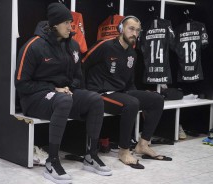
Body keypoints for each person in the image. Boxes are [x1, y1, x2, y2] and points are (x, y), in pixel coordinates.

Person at [15, 2, 112, 184]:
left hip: (62, 96)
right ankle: (52, 162)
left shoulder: (72, 45)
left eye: (71, 22)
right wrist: (54, 89)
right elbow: (21, 83)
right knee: (63, 101)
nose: (71, 26)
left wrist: (68, 87)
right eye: (67, 22)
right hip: (34, 99)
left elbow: (77, 76)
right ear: (54, 25)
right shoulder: (34, 46)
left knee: (95, 100)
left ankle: (91, 156)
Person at [82, 16, 172, 169]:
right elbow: (83, 65)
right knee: (132, 103)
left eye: (137, 30)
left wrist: (141, 97)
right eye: (131, 29)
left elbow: (129, 83)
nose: (134, 33)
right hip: (99, 93)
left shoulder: (133, 53)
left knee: (156, 99)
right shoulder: (105, 45)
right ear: (121, 29)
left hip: (120, 92)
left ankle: (143, 145)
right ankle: (123, 151)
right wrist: (83, 93)